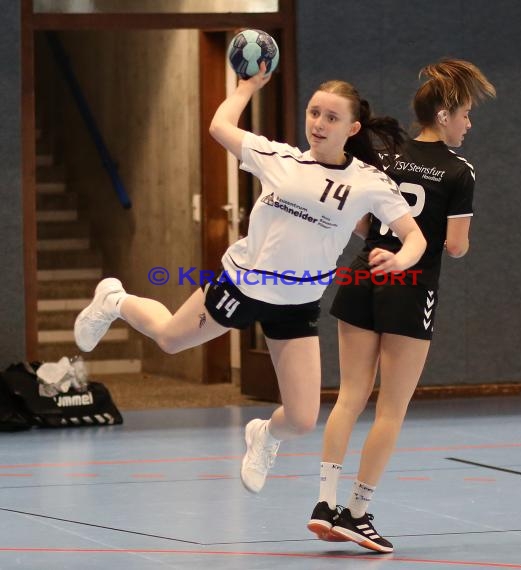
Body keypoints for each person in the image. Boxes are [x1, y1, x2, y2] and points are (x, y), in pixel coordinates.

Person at [73, 64, 426, 495]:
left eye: (331, 117)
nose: (318, 123)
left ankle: (264, 435)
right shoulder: (279, 159)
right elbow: (220, 126)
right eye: (314, 113)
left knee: (300, 419)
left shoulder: (369, 183)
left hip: (297, 304)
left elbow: (415, 237)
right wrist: (246, 87)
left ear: (352, 127)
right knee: (167, 338)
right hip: (242, 287)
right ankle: (113, 300)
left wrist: (400, 260)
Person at [307, 59, 496, 553]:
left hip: (362, 273)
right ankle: (357, 513)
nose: (469, 124)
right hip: (412, 286)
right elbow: (455, 246)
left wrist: (386, 242)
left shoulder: (386, 159)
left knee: (350, 395)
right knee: (391, 409)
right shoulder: (459, 170)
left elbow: (361, 222)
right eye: (466, 114)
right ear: (444, 113)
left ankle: (324, 503)